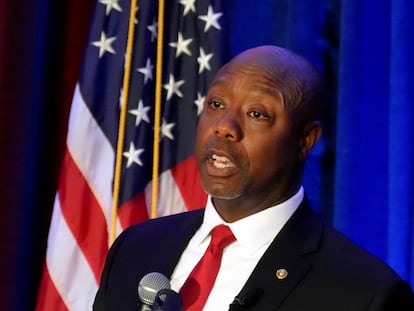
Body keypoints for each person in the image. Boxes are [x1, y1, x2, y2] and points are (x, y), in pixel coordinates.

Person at [93, 45, 414, 310]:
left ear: (305, 140)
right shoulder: (135, 249)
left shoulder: (364, 295)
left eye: (257, 114)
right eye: (216, 104)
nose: (224, 127)